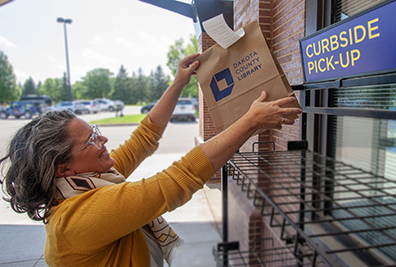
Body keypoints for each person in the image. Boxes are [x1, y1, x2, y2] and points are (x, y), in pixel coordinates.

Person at [0, 53, 301, 267]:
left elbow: (144, 138)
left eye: (96, 131)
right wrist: (250, 122)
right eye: (91, 141)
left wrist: (179, 82)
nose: (103, 140)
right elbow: (175, 182)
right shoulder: (79, 218)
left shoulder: (88, 181)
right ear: (63, 168)